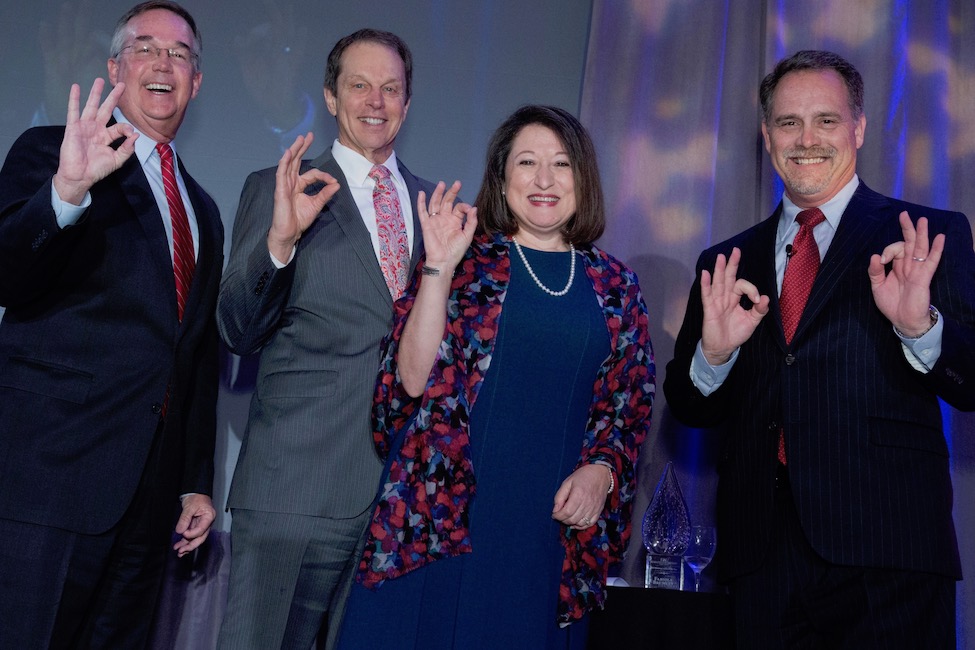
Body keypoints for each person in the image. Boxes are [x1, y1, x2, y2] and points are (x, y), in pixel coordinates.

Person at [664, 49, 975, 648]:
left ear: (858, 127)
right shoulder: (725, 262)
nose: (806, 139)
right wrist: (716, 356)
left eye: (826, 120)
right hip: (762, 562)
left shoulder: (925, 236)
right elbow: (689, 407)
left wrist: (921, 327)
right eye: (788, 123)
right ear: (766, 135)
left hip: (891, 556)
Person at [334, 105, 655, 649]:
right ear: (503, 180)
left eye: (562, 163)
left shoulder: (616, 286)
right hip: (446, 518)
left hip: (546, 528)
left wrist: (602, 471)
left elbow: (629, 408)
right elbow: (410, 382)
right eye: (527, 162)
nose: (545, 179)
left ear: (583, 178)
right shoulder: (464, 261)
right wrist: (437, 268)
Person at [0, 2, 222, 647]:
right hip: (49, 477)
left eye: (180, 54)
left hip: (148, 506)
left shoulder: (202, 207)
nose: (163, 63)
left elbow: (196, 350)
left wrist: (194, 483)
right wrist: (66, 192)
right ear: (115, 68)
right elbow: (8, 275)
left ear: (197, 82)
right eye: (145, 48)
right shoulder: (51, 151)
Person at [216, 28, 435, 649]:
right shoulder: (281, 188)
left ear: (408, 104)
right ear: (331, 98)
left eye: (390, 88)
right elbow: (237, 330)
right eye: (359, 85)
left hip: (398, 506)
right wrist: (279, 243)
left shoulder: (435, 209)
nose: (375, 101)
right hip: (295, 491)